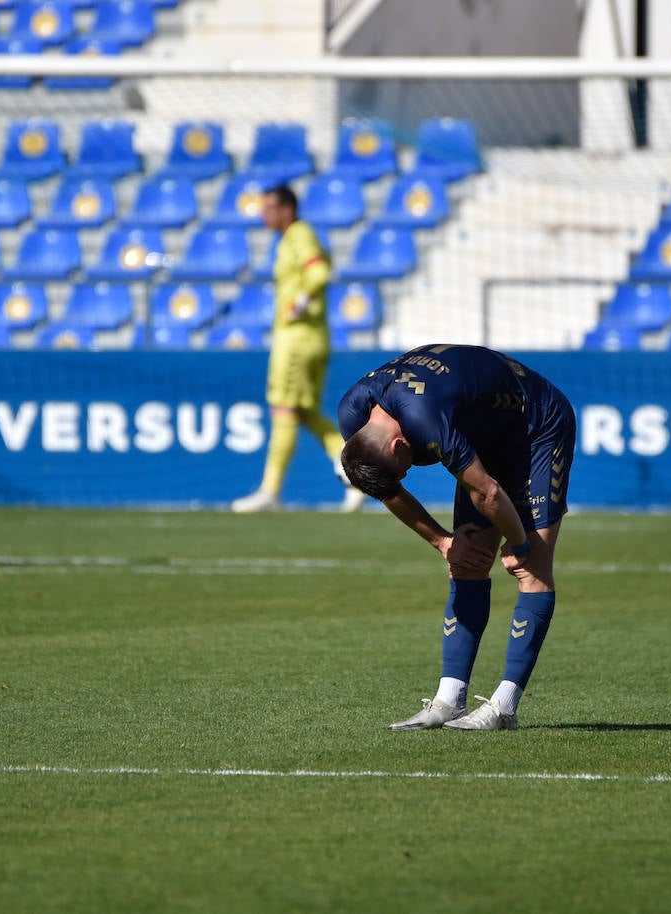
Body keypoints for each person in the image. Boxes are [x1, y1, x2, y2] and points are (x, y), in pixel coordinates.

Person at [338, 344, 576, 730]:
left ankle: (504, 707)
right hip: (486, 435)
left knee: (532, 568)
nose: (405, 476)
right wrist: (443, 542)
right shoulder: (354, 417)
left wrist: (519, 545)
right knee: (465, 564)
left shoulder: (425, 419)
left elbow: (489, 494)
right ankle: (449, 701)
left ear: (399, 445)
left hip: (537, 426)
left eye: (403, 471)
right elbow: (388, 490)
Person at [232, 184, 365, 513]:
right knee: (303, 412)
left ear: (287, 210)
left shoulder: (299, 234)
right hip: (311, 337)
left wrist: (301, 301)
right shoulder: (292, 238)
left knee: (284, 410)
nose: (263, 214)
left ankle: (270, 491)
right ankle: (356, 472)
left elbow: (319, 270)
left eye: (269, 208)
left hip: (297, 339)